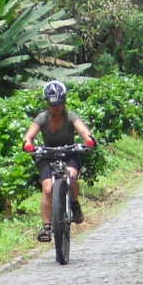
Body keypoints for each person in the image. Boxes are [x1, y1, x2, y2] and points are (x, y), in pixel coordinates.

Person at [23, 79, 95, 239]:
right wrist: (28, 143)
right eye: (52, 104)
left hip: (69, 153)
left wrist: (89, 140)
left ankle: (75, 204)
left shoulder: (70, 116)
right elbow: (29, 135)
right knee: (48, 189)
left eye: (59, 104)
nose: (56, 108)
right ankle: (47, 227)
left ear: (64, 102)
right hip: (47, 155)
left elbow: (83, 131)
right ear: (47, 103)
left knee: (71, 175)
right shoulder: (42, 118)